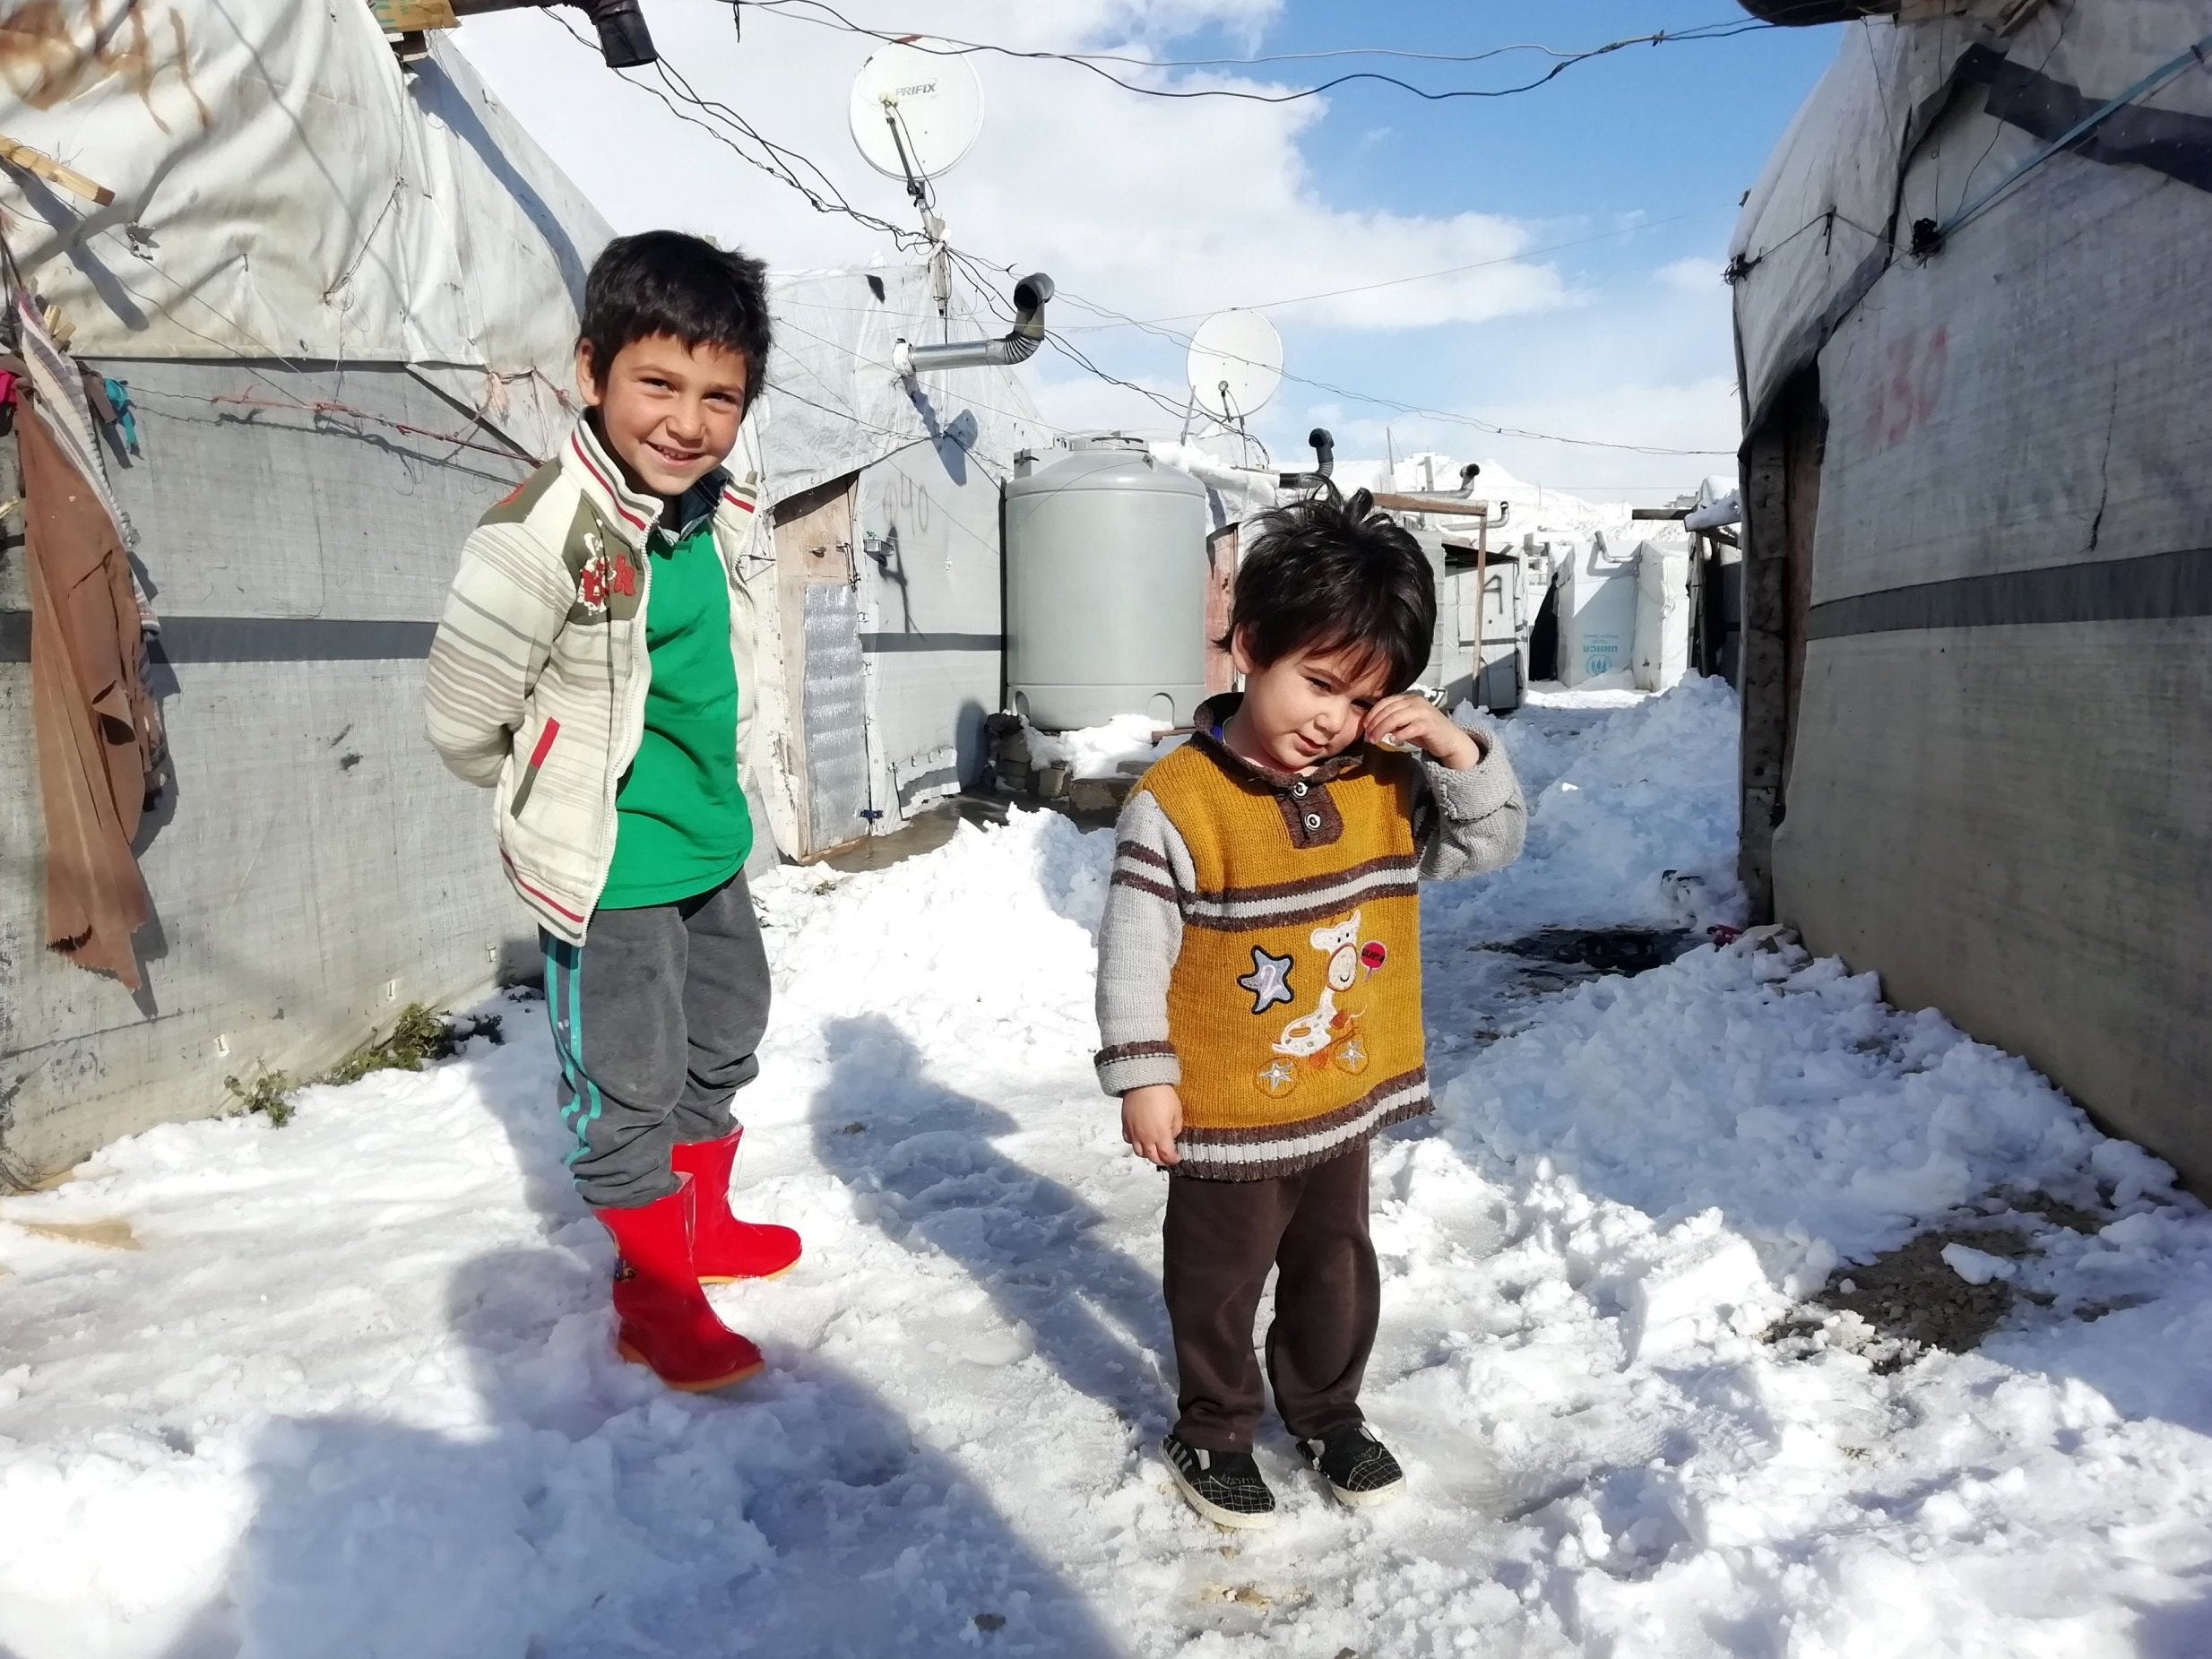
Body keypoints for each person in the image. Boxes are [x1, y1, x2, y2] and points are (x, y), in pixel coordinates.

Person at [1095, 488, 1527, 1527]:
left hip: (1341, 1090)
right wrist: (1143, 1073)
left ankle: (1328, 1410)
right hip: (1225, 1105)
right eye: (1317, 682)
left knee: (1334, 1263)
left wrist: (1458, 755)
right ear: (1249, 645)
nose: (1331, 718)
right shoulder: (1178, 801)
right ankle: (1212, 1429)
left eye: (1361, 696)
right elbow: (1132, 949)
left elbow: (1487, 846)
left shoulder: (1384, 779)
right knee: (1220, 1277)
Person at [425, 231, 798, 1394]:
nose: (687, 420)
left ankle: (701, 1225)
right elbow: (461, 716)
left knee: (724, 1035)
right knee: (627, 1081)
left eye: (719, 395)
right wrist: (553, 785)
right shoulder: (537, 535)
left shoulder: (715, 512)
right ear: (592, 372)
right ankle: (655, 1294)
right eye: (659, 383)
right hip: (612, 867)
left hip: (709, 844)